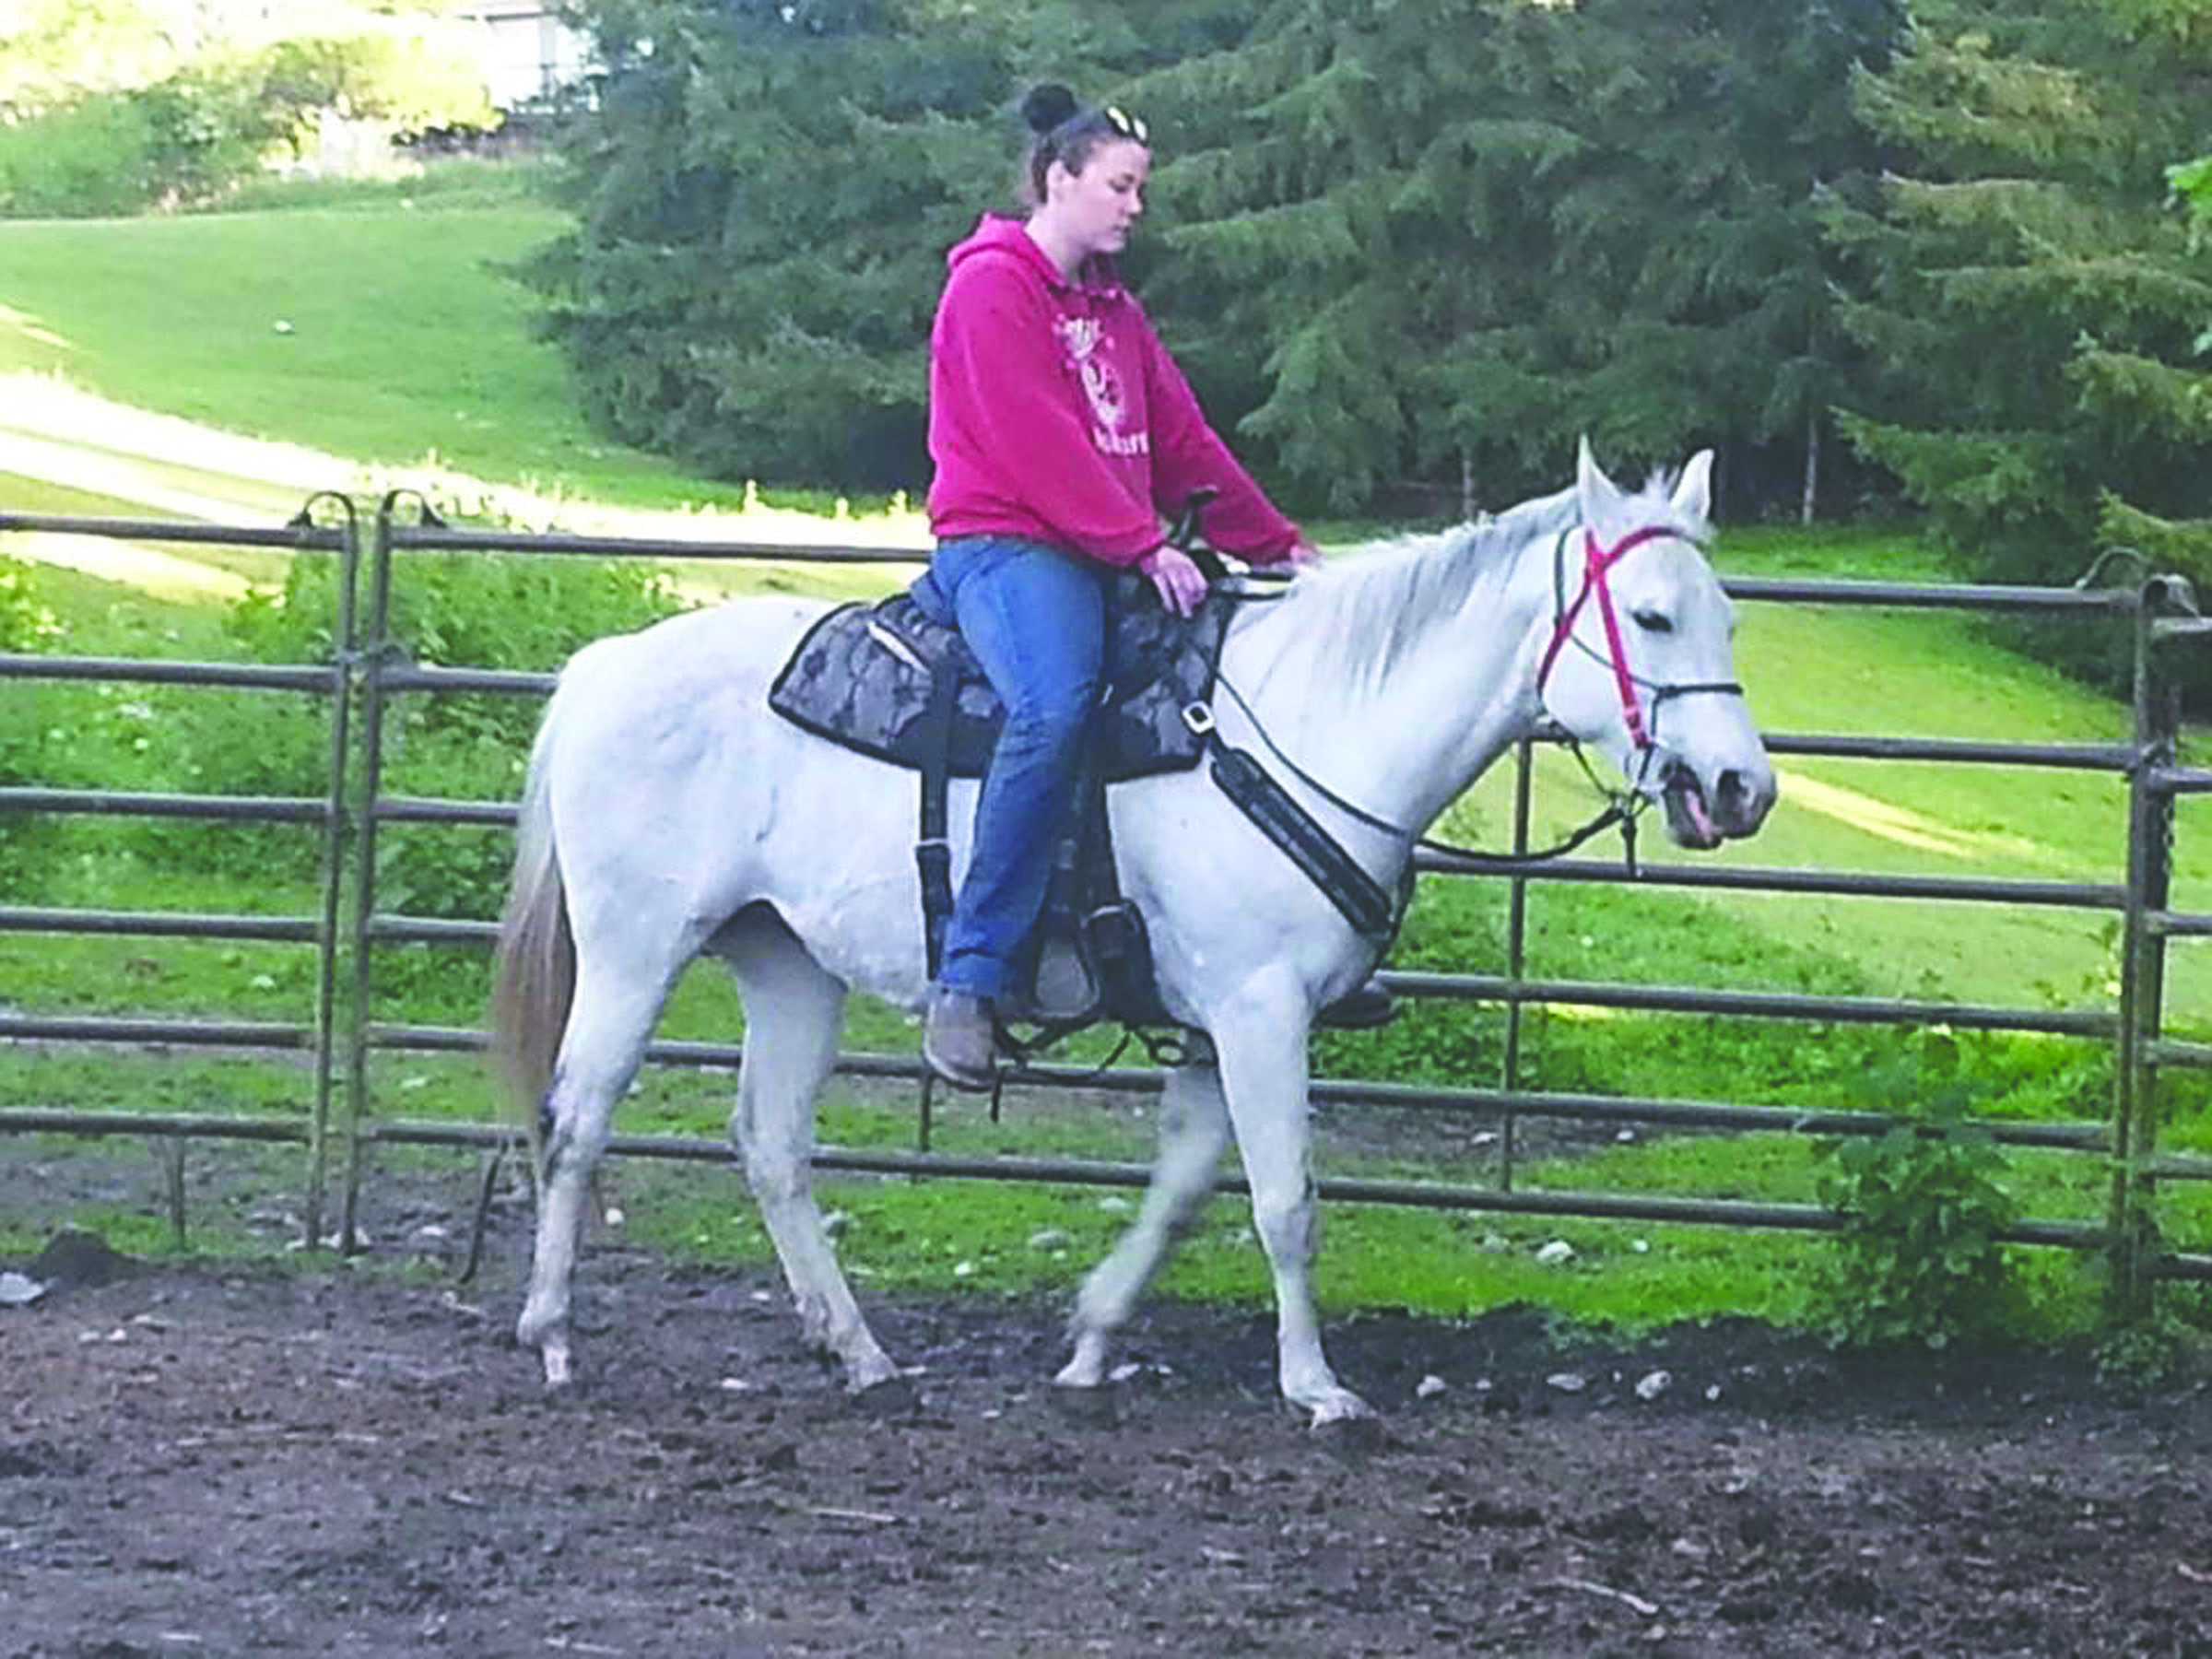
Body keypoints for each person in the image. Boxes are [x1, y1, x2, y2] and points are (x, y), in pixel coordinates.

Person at [916, 84, 1381, 1089]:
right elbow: (1029, 439)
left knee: (1216, 687)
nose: (1136, 207)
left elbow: (1181, 441)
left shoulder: (1115, 310)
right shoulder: (991, 289)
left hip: (1094, 544)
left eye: (1141, 190)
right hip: (1003, 542)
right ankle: (973, 972)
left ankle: (1195, 942)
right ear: (1059, 179)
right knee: (1054, 702)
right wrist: (1138, 544)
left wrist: (1279, 550)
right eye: (1121, 187)